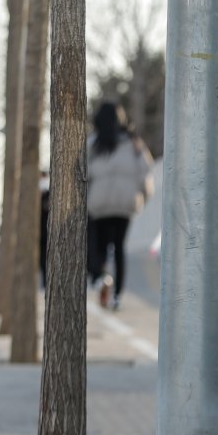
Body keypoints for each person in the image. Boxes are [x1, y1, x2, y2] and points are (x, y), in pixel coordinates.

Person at [87, 102, 153, 310]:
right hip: (125, 204)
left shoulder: (93, 143)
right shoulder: (134, 143)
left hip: (98, 204)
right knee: (119, 248)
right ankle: (116, 296)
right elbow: (145, 172)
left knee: (98, 245)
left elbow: (84, 174)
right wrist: (142, 198)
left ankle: (101, 278)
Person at [39, 171, 50, 289]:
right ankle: (44, 282)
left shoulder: (48, 194)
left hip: (48, 232)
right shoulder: (38, 194)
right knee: (42, 259)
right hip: (41, 234)